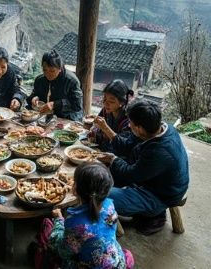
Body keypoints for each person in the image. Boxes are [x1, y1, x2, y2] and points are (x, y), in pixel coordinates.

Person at [97, 100, 189, 235]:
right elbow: (126, 146)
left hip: (162, 194)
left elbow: (129, 174)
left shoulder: (160, 151)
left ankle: (156, 214)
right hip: (153, 178)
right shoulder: (156, 128)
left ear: (139, 128)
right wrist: (105, 128)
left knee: (99, 196)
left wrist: (113, 159)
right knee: (104, 171)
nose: (129, 125)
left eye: (131, 123)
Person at [41, 162, 134, 269]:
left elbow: (63, 251)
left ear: (75, 189)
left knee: (49, 234)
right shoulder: (110, 205)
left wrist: (59, 219)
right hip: (113, 261)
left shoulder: (76, 223)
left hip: (89, 266)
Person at [27, 50, 83, 121]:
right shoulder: (40, 79)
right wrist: (34, 98)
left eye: (52, 71)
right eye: (45, 70)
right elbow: (34, 95)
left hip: (68, 118)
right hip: (46, 117)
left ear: (60, 68)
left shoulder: (71, 80)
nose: (48, 74)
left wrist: (55, 104)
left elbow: (77, 105)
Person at [88, 80, 139, 154]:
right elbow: (97, 128)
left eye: (111, 101)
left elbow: (123, 147)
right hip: (101, 149)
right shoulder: (106, 110)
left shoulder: (128, 121)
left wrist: (105, 128)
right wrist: (94, 130)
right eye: (104, 99)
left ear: (122, 102)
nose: (105, 103)